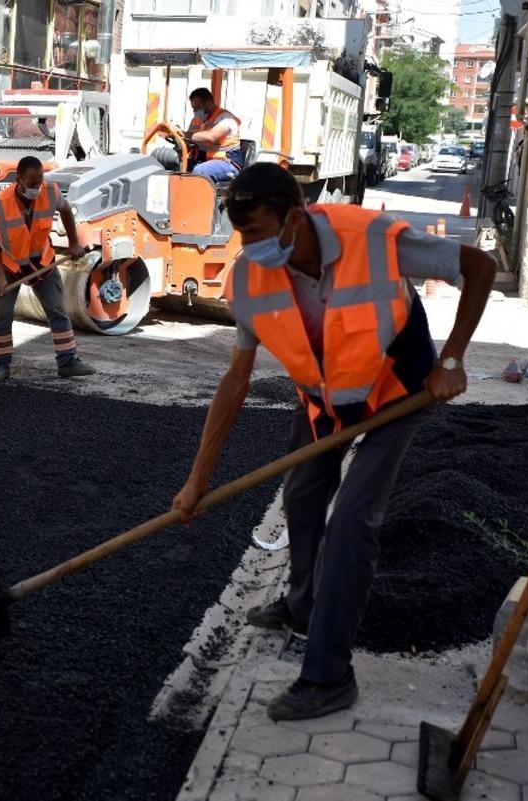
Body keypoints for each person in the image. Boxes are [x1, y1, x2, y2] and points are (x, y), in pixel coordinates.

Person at [171, 163, 495, 720]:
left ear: (295, 216)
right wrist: (197, 479)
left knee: (351, 521)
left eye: (256, 232)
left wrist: (453, 359)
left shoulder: (370, 236)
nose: (247, 246)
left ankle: (328, 676)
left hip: (398, 394)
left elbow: (480, 267)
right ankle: (301, 605)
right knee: (301, 495)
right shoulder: (250, 280)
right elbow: (236, 381)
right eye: (240, 234)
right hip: (327, 405)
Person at [0, 156, 96, 382]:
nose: (37, 186)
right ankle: (1, 365)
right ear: (19, 180)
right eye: (32, 182)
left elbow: (66, 212)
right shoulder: (0, 205)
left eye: (40, 180)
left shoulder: (51, 192)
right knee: (2, 314)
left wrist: (74, 242)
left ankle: (67, 362)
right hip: (11, 265)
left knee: (57, 310)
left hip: (42, 262)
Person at [150, 88, 243, 181]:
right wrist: (174, 136)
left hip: (227, 163)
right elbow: (188, 141)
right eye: (193, 108)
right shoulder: (196, 120)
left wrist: (183, 133)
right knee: (173, 166)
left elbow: (212, 137)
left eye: (197, 107)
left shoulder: (226, 118)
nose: (195, 111)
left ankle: (200, 195)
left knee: (200, 171)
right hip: (203, 160)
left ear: (209, 104)